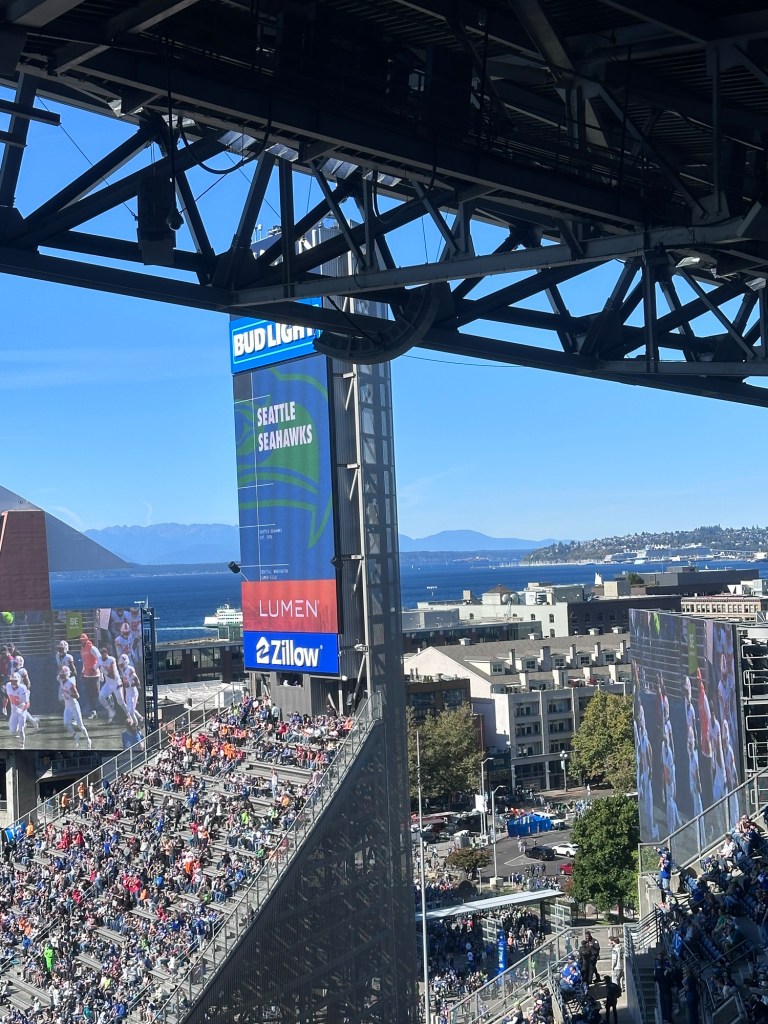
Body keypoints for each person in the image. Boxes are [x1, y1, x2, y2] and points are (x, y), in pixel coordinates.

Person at [58, 666, 92, 749]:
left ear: (66, 675)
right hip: (67, 706)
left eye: (62, 675)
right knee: (66, 723)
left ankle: (88, 739)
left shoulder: (70, 683)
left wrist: (69, 694)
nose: (61, 677)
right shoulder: (61, 681)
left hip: (74, 705)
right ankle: (76, 735)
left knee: (80, 726)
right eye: (61, 675)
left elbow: (77, 695)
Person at [98, 645, 131, 722]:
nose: (103, 654)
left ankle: (129, 715)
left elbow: (112, 675)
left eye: (104, 653)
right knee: (101, 697)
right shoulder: (100, 659)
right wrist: (101, 675)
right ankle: (110, 711)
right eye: (101, 653)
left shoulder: (112, 660)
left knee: (120, 702)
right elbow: (98, 667)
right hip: (108, 684)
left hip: (116, 683)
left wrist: (104, 672)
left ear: (107, 653)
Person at [79, 633, 102, 718]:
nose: (82, 642)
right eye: (81, 640)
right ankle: (93, 711)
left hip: (94, 674)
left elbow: (99, 658)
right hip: (87, 674)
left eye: (83, 640)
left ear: (86, 640)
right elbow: (84, 662)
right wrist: (82, 671)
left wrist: (95, 667)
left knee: (97, 693)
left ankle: (108, 698)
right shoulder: (82, 649)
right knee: (90, 694)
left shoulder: (92, 648)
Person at [5, 672, 29, 748]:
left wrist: (22, 709)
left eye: (15, 681)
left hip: (22, 711)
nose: (13, 682)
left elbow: (27, 703)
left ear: (18, 680)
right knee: (12, 730)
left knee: (21, 730)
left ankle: (22, 745)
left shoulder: (22, 688)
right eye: (12, 680)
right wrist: (4, 707)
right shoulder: (8, 685)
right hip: (13, 711)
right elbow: (6, 697)